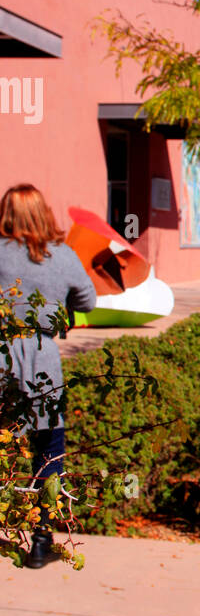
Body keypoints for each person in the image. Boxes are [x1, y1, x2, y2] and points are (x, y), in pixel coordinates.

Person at [0, 185, 97, 567]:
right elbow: (87, 300)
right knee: (48, 448)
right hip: (42, 358)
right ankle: (42, 538)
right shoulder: (63, 256)